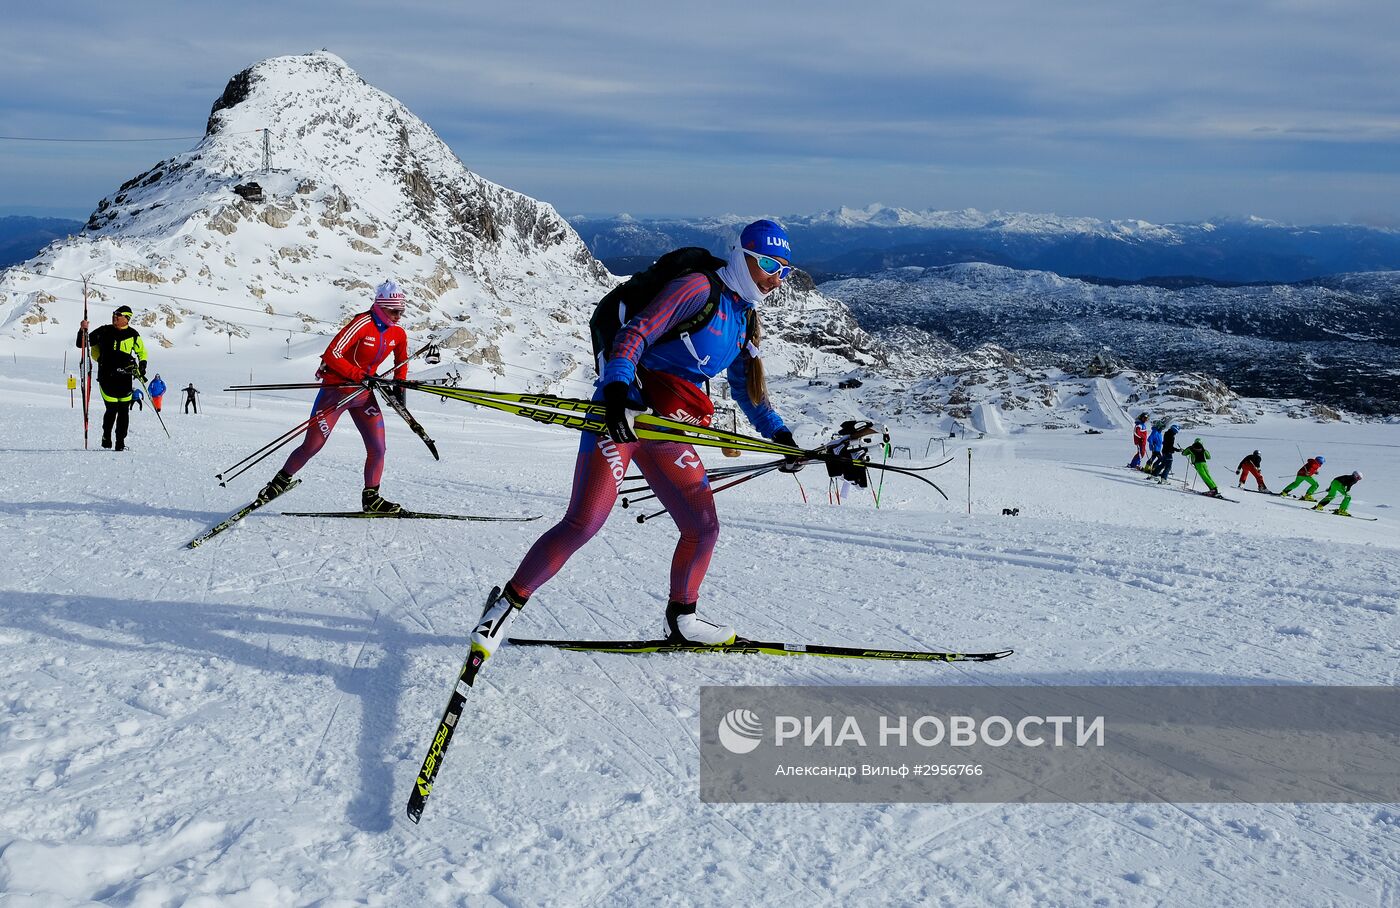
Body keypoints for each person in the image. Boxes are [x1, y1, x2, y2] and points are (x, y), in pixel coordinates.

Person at [470, 220, 800, 661]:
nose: (775, 277)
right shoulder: (698, 289)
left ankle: (683, 619)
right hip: (623, 415)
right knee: (584, 522)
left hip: (665, 429)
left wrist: (780, 435)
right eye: (766, 264)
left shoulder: (744, 318)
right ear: (740, 256)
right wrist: (619, 391)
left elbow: (748, 392)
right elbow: (635, 333)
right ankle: (504, 606)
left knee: (703, 527)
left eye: (784, 269)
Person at [255, 281, 410, 511]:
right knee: (313, 445)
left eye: (402, 312)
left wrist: (400, 388)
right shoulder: (362, 323)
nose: (398, 317)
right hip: (336, 392)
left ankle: (371, 499)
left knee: (378, 448)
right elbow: (332, 354)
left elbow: (401, 361)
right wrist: (359, 375)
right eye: (394, 311)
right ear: (380, 306)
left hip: (363, 395)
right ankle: (278, 483)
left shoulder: (398, 333)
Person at [75, 305, 148, 451]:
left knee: (124, 411)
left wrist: (142, 365)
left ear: (127, 318)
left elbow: (142, 352)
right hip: (106, 377)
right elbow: (80, 344)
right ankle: (106, 435)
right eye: (114, 314)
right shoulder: (104, 330)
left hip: (125, 378)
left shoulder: (133, 334)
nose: (115, 316)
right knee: (112, 409)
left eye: (118, 314)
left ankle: (120, 442)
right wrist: (82, 330)